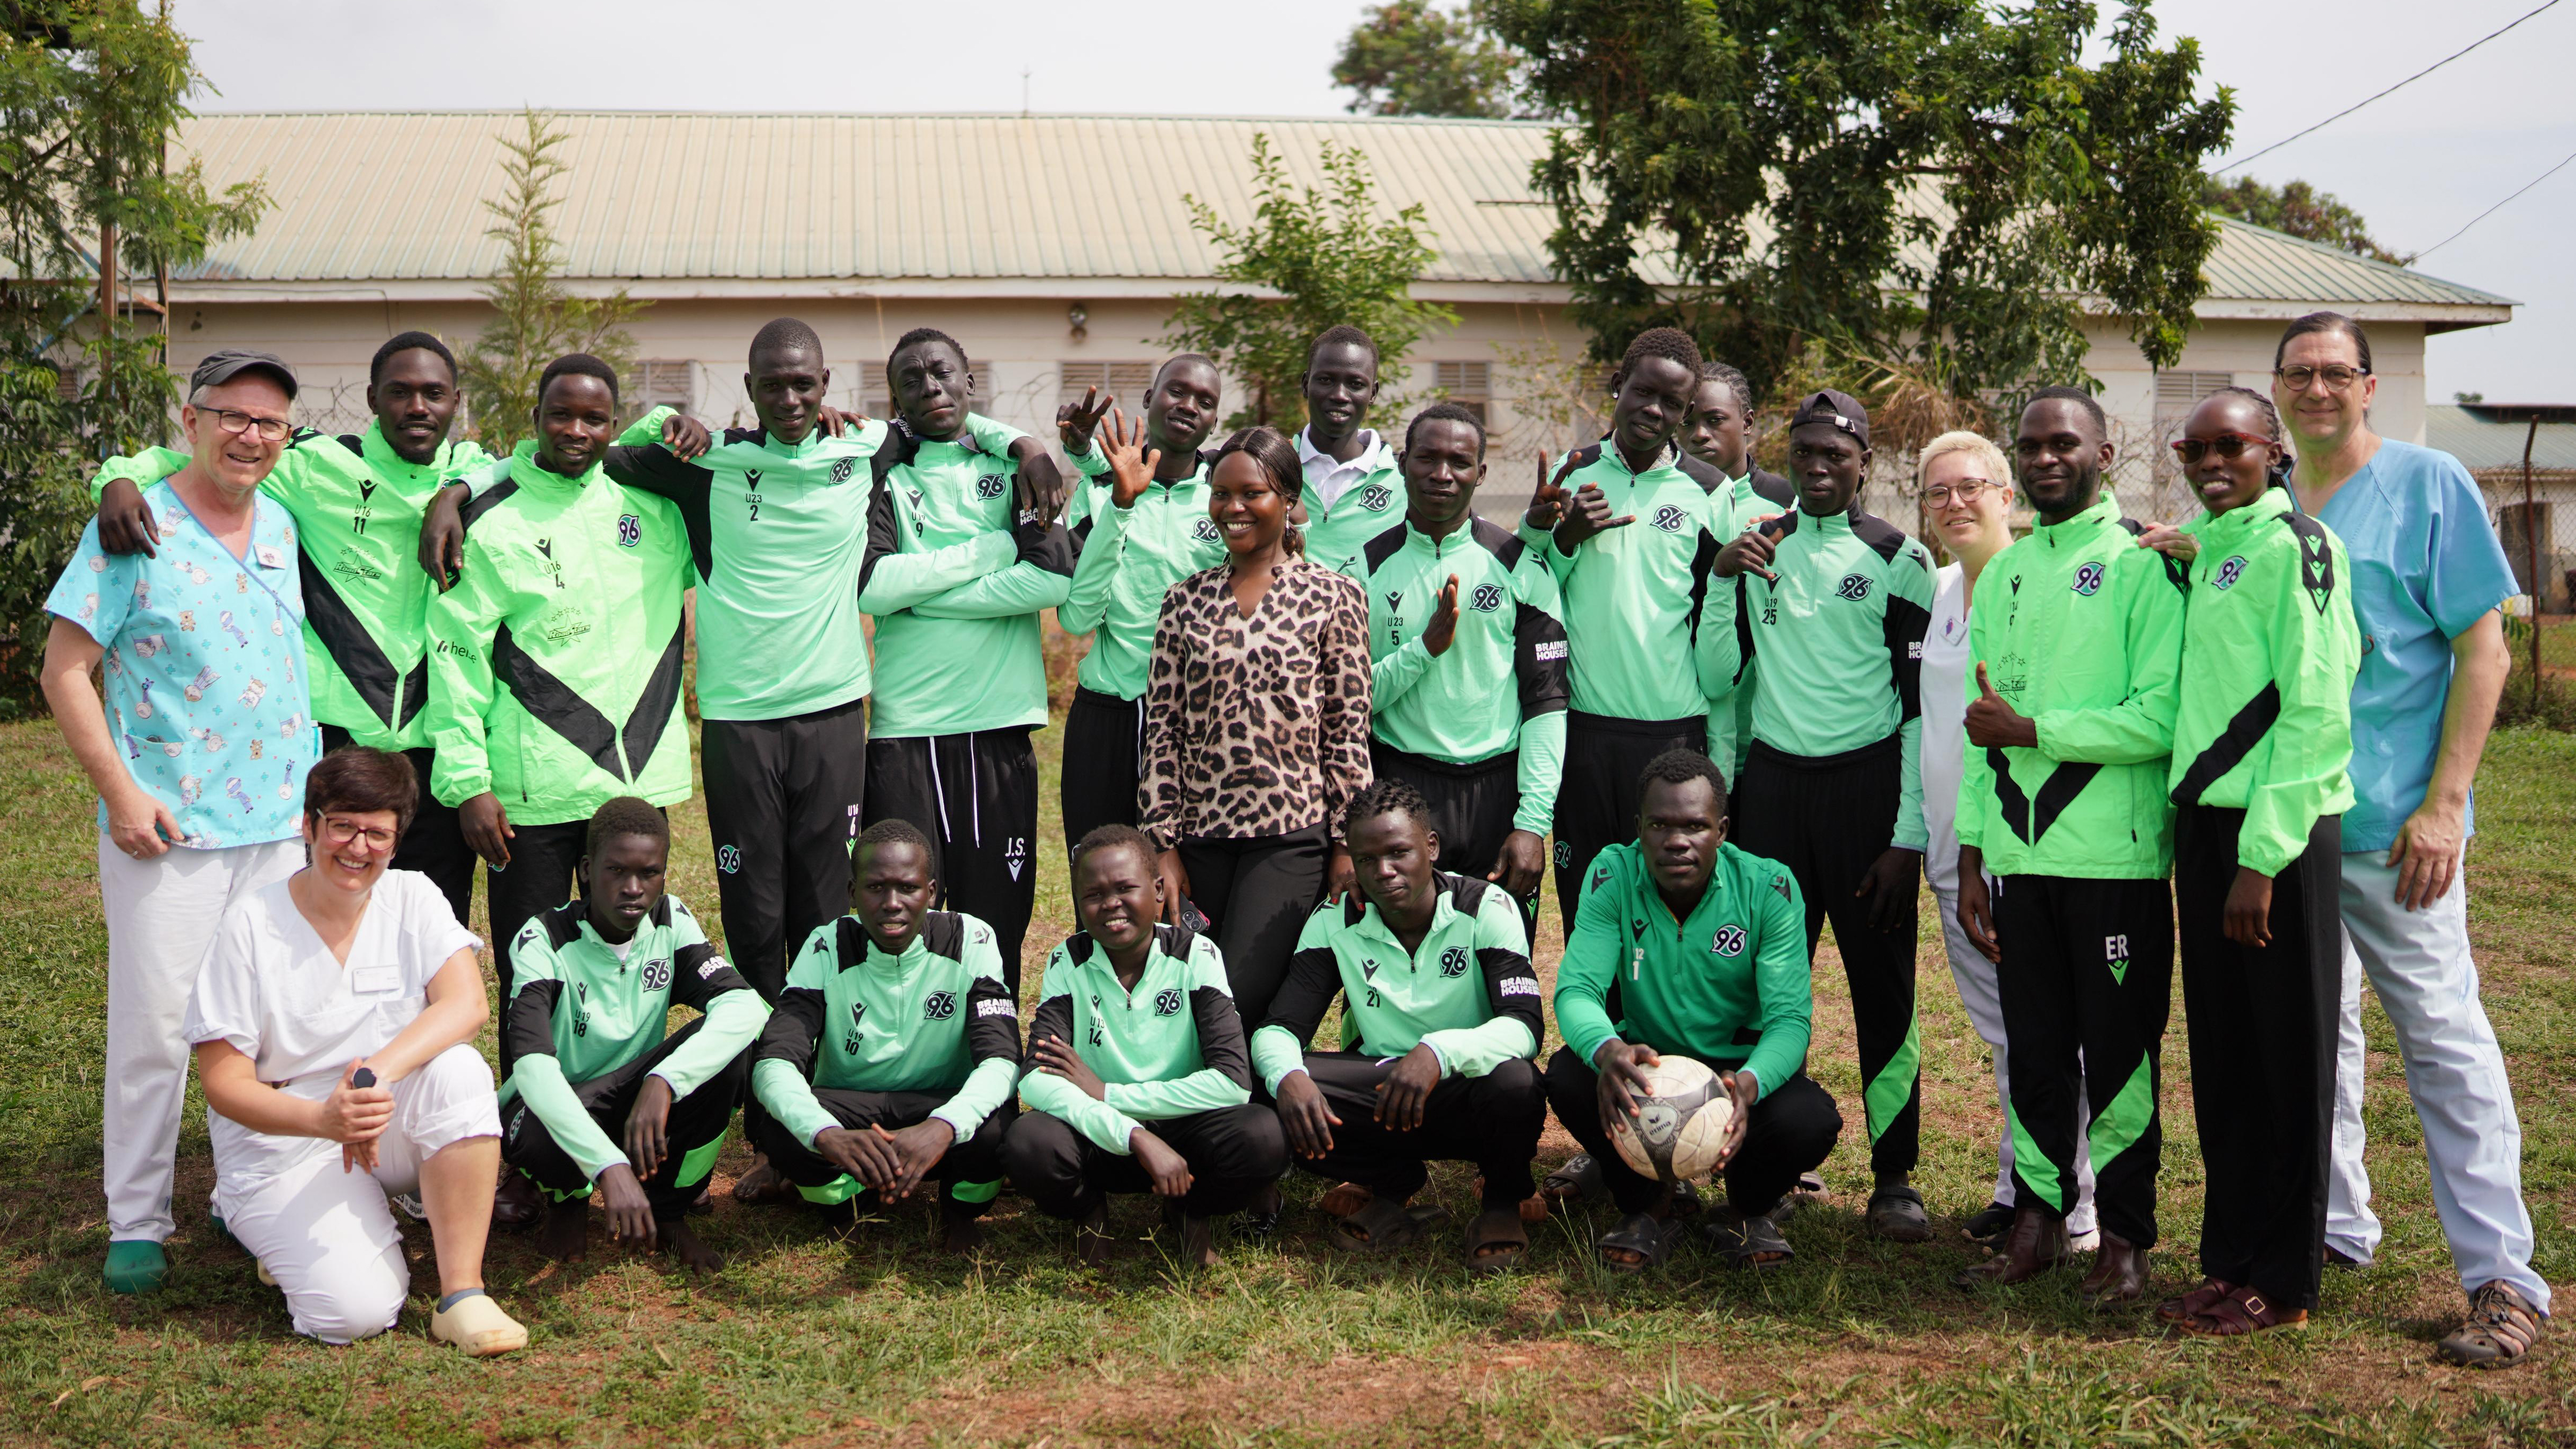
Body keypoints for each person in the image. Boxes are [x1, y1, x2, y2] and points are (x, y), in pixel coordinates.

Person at [544, 318, 1036, 1004]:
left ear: (826, 385)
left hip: (832, 715)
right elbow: (591, 447)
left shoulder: (864, 449)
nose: (790, 400)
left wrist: (1027, 444)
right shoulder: (706, 461)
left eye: (804, 384)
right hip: (737, 722)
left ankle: (815, 1051)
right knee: (753, 908)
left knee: (826, 904)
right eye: (772, 386)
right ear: (749, 389)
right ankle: (756, 1063)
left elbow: (940, 419)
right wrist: (667, 417)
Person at [2262, 313, 2549, 1365]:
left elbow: (2485, 652)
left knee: (2442, 1041)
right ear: (2279, 387)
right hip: (2293, 829)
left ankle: (2502, 1278)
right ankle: (2335, 1233)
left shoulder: (2429, 487)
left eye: (2337, 372)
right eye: (2300, 372)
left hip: (2396, 832)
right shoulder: (2270, 502)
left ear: (2369, 386)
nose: (2318, 388)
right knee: (2312, 1036)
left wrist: (2445, 805)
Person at [40, 349, 320, 1294]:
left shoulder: (280, 524)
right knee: (157, 1027)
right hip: (169, 828)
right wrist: (121, 792)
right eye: (232, 416)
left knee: (258, 1026)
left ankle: (244, 1190)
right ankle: (137, 1216)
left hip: (279, 823)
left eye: (269, 422)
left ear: (287, 436)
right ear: (191, 421)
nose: (250, 436)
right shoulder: (135, 524)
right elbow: (64, 669)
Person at [88, 333, 499, 921]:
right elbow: (189, 464)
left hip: (436, 747)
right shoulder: (314, 467)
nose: (417, 407)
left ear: (456, 402)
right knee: (326, 916)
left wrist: (454, 494)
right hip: (337, 737)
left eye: (433, 394)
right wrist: (119, 479)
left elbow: (534, 465)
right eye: (399, 392)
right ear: (371, 399)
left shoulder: (472, 473)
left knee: (429, 922)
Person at [1948, 393, 2185, 1302]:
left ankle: (2124, 1240)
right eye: (2032, 446)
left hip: (2111, 862)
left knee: (2119, 1055)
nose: (2047, 459)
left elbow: (2158, 719)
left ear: (2105, 452)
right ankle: (2039, 1221)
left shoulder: (2137, 565)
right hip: (2020, 861)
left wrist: (2036, 727)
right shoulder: (2004, 573)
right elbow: (1982, 726)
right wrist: (1974, 854)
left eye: (2064, 444)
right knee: (2036, 1051)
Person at [182, 746, 524, 1354]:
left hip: (376, 1114)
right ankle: (275, 1235)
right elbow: (224, 1083)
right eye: (342, 825)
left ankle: (462, 1294)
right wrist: (323, 1119)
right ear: (309, 825)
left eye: (377, 833)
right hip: (286, 1141)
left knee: (459, 1069)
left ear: (397, 841)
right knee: (353, 1314)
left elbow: (466, 1005)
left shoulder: (412, 896)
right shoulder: (250, 924)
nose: (358, 848)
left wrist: (372, 1076)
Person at [2158, 386, 2361, 1337]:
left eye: (2227, 443)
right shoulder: (2222, 546)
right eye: (2189, 446)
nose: (2207, 461)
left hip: (2271, 841)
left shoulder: (2300, 548)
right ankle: (2231, 1254)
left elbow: (2315, 710)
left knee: (2287, 1060)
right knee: (2226, 1059)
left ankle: (2281, 1279)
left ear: (2270, 447)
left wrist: (2261, 860)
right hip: (2205, 837)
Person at [1711, 389, 1937, 1241]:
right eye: (1803, 451)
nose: (1816, 466)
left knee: (1885, 991)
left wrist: (1905, 837)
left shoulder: (1897, 556)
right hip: (1774, 790)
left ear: (1864, 464)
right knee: (1769, 985)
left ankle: (1895, 1173)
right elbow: (1723, 680)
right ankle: (1769, 1161)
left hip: (1866, 792)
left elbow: (1917, 711)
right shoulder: (1756, 547)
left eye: (1834, 455)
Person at [423, 355, 698, 1002]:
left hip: (633, 791)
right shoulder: (488, 520)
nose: (577, 431)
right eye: (561, 415)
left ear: (615, 425)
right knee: (534, 977)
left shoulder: (655, 511)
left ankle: (620, 1098)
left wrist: (671, 423)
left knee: (632, 969)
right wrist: (467, 784)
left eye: (595, 419)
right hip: (532, 796)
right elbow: (455, 657)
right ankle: (530, 1104)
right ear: (535, 419)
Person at [1910, 430, 2104, 1254]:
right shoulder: (1941, 589)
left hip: (2027, 846)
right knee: (2005, 1037)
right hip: (1956, 855)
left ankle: (2078, 1206)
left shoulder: (2038, 585)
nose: (1955, 503)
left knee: (2051, 1036)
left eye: (1971, 487)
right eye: (1937, 492)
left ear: (2007, 498)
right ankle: (2019, 1186)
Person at [1547, 750, 1842, 1271]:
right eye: (1658, 824)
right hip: (1649, 1069)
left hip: (1735, 1077)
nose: (1675, 841)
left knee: (1809, 1118)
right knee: (1571, 1073)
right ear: (1637, 828)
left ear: (1721, 830)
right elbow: (1575, 991)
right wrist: (1608, 1048)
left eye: (1694, 826)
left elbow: (1788, 1022)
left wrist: (1748, 1085)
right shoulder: (1611, 874)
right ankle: (1648, 1205)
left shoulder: (1768, 887)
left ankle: (1746, 1207)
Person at [857, 327, 1075, 992]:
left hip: (997, 721)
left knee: (995, 918)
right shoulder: (882, 477)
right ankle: (913, 1053)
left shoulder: (1014, 471)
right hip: (906, 728)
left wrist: (923, 597)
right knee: (903, 917)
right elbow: (871, 587)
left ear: (969, 382)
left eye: (944, 373)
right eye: (912, 381)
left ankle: (994, 1052)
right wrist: (988, 552)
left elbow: (1052, 583)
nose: (931, 388)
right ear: (894, 399)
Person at [1254, 780, 1546, 1270]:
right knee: (1267, 1087)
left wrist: (1437, 1053)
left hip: (1467, 1093)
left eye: (1398, 853)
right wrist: (1288, 1077)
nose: (1383, 871)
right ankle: (1392, 1180)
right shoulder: (1336, 920)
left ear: (1430, 847)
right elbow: (1279, 1027)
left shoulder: (1485, 908)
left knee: (1517, 1081)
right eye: (1366, 860)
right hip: (1383, 1093)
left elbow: (1524, 1028)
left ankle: (1500, 1200)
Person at [1139, 425, 1372, 1029]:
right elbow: (1161, 730)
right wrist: (1163, 845)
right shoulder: (1183, 602)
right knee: (1195, 997)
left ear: (1290, 500)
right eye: (1220, 493)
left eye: (1252, 493)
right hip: (1201, 839)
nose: (1232, 508)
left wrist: (1346, 844)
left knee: (1235, 998)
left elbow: (1347, 729)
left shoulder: (1333, 596)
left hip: (1290, 836)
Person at [1515, 327, 1733, 925]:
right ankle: (1602, 1021)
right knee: (1591, 906)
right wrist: (1562, 537)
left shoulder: (1709, 491)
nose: (1653, 411)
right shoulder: (1569, 471)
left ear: (1686, 414)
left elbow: (1721, 609)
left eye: (1671, 403)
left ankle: (1659, 1022)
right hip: (1583, 731)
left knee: (1667, 910)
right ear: (1617, 386)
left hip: (1673, 732)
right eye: (1642, 392)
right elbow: (1527, 592)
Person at [495, 798, 767, 1270]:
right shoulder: (545, 939)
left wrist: (665, 1082)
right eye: (617, 871)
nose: (634, 889)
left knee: (729, 1053)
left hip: (637, 1096)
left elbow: (745, 1007)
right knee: (537, 1126)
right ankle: (568, 1200)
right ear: (586, 870)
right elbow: (533, 1069)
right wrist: (609, 1166)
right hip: (559, 1102)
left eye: (649, 873)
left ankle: (667, 1211)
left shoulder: (669, 920)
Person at [1005, 825, 1290, 1268]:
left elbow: (1233, 1083)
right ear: (1080, 904)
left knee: (1264, 1136)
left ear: (1159, 891)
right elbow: (1038, 1079)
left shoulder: (1197, 954)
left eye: (1125, 888)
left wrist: (1109, 1093)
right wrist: (1132, 1133)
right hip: (1105, 1136)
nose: (1111, 904)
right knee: (1029, 1142)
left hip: (1184, 1134)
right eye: (1094, 895)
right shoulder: (1068, 960)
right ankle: (1089, 1213)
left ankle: (1190, 1210)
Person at [750, 820, 1023, 1253]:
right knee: (782, 1131)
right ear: (852, 894)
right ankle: (845, 1205)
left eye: (908, 888)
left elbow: (1003, 1060)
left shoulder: (971, 938)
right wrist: (825, 1133)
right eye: (876, 888)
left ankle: (960, 1211)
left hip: (941, 1105)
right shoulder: (827, 946)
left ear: (932, 891)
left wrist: (944, 1125)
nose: (892, 904)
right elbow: (774, 1063)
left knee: (1000, 1129)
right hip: (853, 1112)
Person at [1351, 403, 1567, 939]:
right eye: (1427, 458)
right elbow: (1349, 702)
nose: (1441, 474)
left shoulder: (1520, 565)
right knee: (1394, 960)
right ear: (1402, 463)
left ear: (1481, 473)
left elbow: (1546, 703)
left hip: (1496, 790)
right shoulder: (1360, 570)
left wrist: (1531, 823)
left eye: (1459, 461)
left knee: (1498, 961)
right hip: (1402, 785)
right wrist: (1424, 649)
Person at [1054, 356, 1227, 852]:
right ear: (1150, 400)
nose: (1189, 406)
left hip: (1199, 715)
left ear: (1215, 422)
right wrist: (1122, 506)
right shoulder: (1097, 490)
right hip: (1109, 713)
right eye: (1176, 391)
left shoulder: (1225, 496)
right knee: (1102, 877)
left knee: (1182, 884)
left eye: (1205, 401)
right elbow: (1077, 617)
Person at [1677, 360, 1794, 774]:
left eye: (1714, 420)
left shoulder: (1789, 502)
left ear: (1747, 423)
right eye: (1687, 422)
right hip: (1682, 729)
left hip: (1767, 738)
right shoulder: (1663, 502)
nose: (1699, 435)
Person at [1292, 325, 1408, 575]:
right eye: (1326, 380)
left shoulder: (1404, 479)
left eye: (1355, 384)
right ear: (1305, 385)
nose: (1339, 395)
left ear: (1373, 394)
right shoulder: (1270, 468)